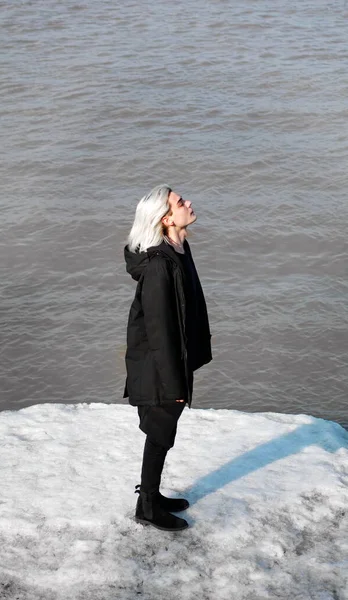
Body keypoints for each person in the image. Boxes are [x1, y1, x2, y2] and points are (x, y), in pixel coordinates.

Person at [124, 184, 212, 531]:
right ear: (165, 218)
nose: (188, 203)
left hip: (173, 358)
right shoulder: (161, 266)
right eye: (180, 202)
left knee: (163, 430)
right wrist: (174, 382)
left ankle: (151, 495)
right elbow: (159, 331)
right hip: (159, 365)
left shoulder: (179, 247)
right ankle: (147, 506)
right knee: (160, 431)